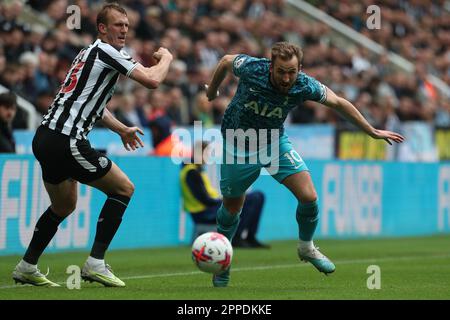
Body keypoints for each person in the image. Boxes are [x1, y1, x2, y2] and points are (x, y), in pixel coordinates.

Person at [205, 42, 404, 287]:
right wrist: (212, 91)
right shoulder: (253, 68)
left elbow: (339, 102)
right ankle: (222, 263)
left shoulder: (304, 84)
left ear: (300, 68)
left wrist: (371, 131)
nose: (287, 78)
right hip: (238, 144)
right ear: (271, 67)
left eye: (292, 71)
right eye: (281, 72)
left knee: (309, 196)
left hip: (273, 144)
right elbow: (225, 60)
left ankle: (306, 248)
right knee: (232, 209)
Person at [12, 3, 173, 287]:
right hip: (67, 139)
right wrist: (167, 58)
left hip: (46, 138)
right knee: (124, 188)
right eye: (117, 24)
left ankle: (27, 265)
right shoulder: (108, 52)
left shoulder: (87, 53)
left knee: (64, 205)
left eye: (126, 25)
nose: (124, 29)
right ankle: (95, 263)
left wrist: (122, 129)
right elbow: (152, 80)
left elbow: (91, 104)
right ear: (102, 28)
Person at [180, 141, 269, 248]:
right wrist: (226, 200)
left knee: (258, 196)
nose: (208, 157)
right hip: (204, 213)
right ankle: (237, 237)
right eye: (206, 153)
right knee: (252, 198)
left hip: (209, 209)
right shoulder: (191, 172)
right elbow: (205, 200)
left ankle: (250, 236)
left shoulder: (196, 170)